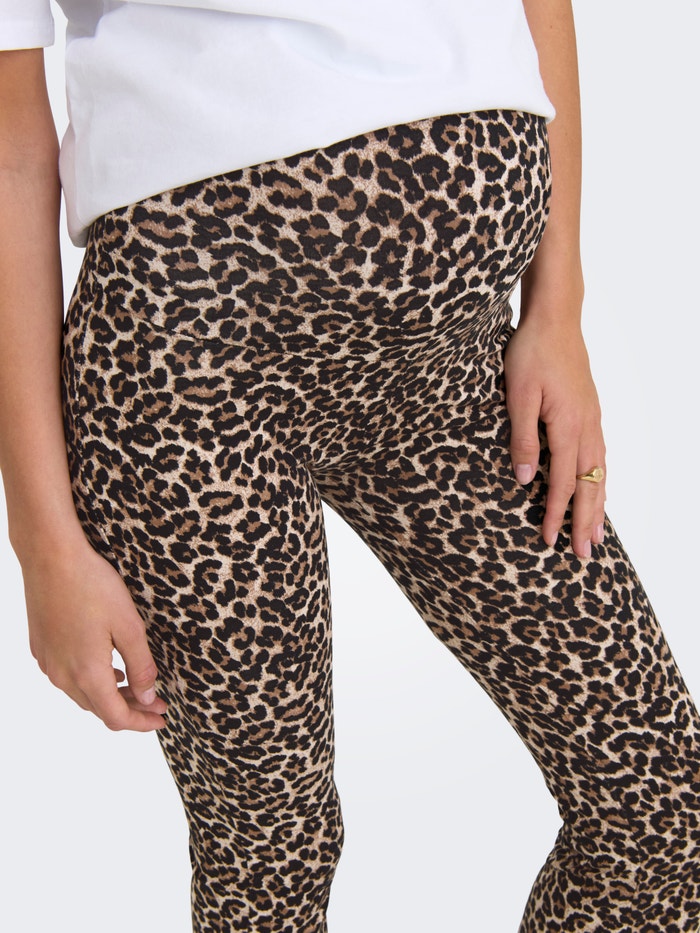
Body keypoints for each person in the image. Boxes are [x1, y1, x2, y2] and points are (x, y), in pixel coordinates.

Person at [1, 1, 698, 931]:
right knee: (272, 851)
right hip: (195, 367)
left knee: (659, 802)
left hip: (451, 359)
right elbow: (9, 151)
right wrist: (42, 538)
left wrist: (557, 306)